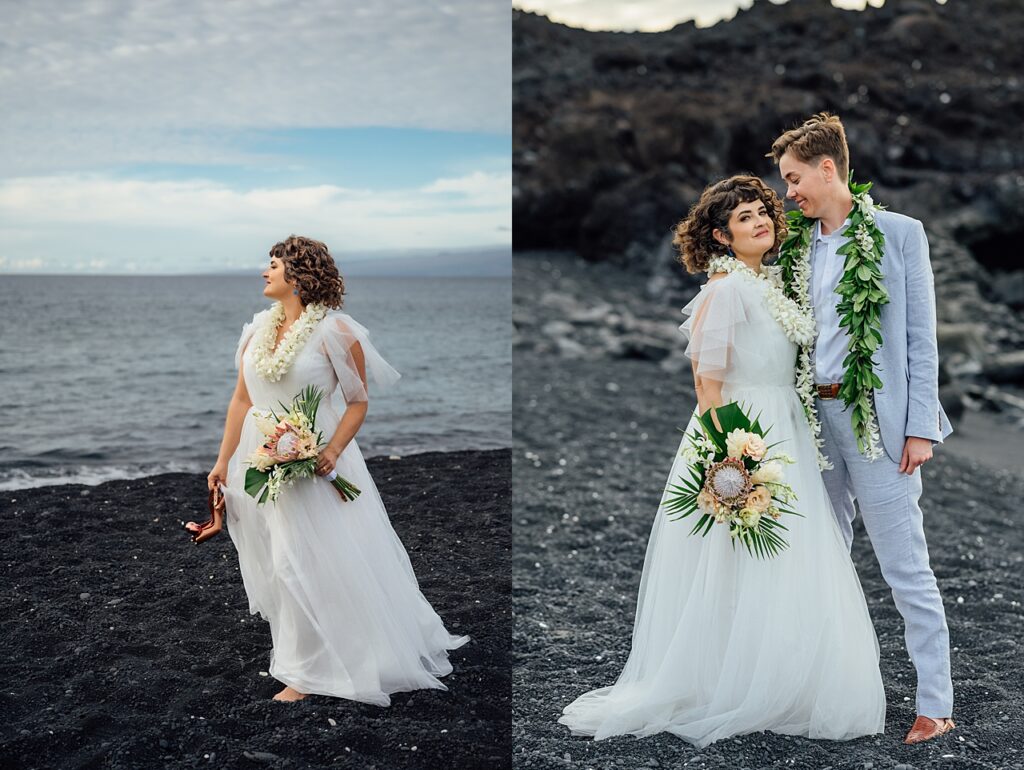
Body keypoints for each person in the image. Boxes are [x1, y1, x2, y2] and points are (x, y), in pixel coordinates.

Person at [558, 176, 886, 747]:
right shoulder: (725, 290)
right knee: (741, 558)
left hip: (786, 426)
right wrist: (737, 462)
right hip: (744, 435)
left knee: (788, 556)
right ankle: (729, 681)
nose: (760, 221)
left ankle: (778, 674)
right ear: (721, 236)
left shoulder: (772, 282)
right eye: (744, 219)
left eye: (763, 212)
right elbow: (706, 387)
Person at [206, 234, 469, 704]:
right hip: (258, 459)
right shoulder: (254, 332)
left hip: (314, 461)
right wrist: (223, 461)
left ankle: (308, 674)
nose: (264, 272)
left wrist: (329, 450)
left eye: (273, 264)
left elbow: (357, 401)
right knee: (274, 561)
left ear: (299, 274)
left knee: (303, 562)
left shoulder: (336, 332)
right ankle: (301, 651)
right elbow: (242, 400)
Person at [770, 112, 954, 744]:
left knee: (905, 565)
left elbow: (920, 339)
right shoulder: (793, 244)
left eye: (794, 178)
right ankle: (823, 690)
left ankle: (935, 703)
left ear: (829, 169)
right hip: (808, 419)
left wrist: (921, 426)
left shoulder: (900, 234)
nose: (788, 192)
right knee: (823, 559)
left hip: (878, 422)